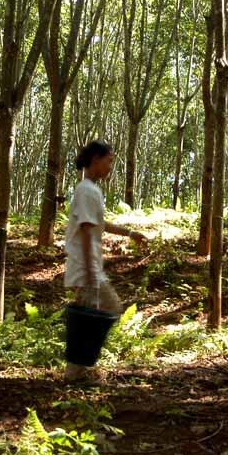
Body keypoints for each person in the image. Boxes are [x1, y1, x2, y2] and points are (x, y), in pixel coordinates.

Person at [63, 140, 146, 382]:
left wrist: (130, 233)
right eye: (109, 160)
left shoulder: (89, 190)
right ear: (96, 159)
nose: (110, 166)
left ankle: (78, 370)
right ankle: (77, 371)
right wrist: (90, 270)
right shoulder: (87, 190)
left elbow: (100, 223)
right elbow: (88, 229)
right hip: (86, 266)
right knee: (102, 311)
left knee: (92, 315)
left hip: (88, 266)